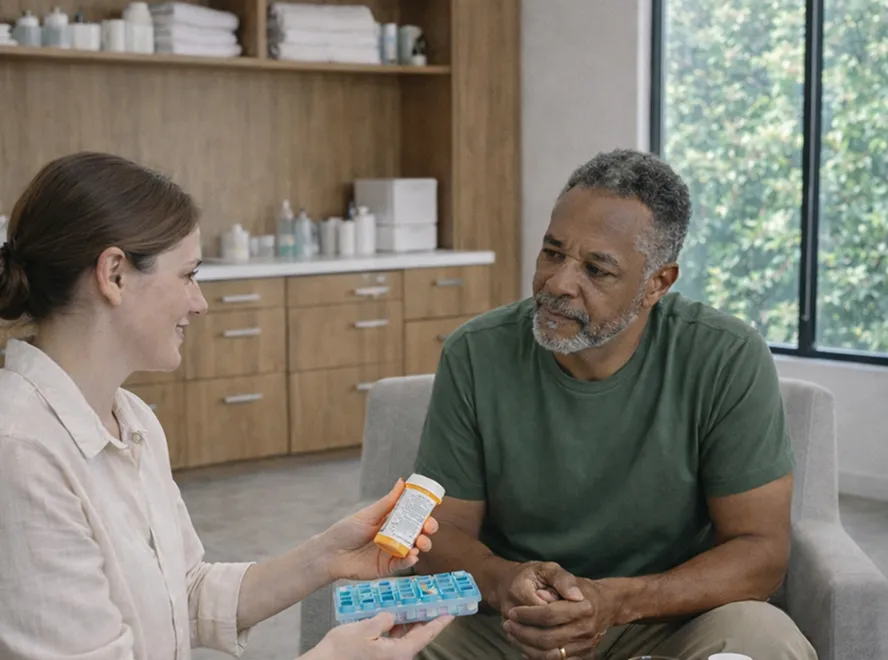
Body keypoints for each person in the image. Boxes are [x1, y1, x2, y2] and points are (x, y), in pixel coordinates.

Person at [0, 152, 452, 660]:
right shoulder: (20, 455)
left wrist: (327, 556)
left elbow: (187, 593)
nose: (200, 302)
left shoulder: (132, 419)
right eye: (188, 275)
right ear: (115, 275)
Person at [412, 149, 817, 660]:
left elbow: (760, 552)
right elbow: (440, 531)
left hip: (666, 622)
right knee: (388, 640)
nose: (558, 283)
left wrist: (614, 602)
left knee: (766, 641)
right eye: (552, 252)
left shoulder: (727, 356)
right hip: (514, 624)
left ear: (657, 284)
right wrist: (502, 581)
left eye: (596, 269)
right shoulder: (474, 352)